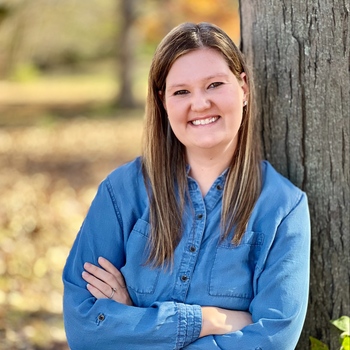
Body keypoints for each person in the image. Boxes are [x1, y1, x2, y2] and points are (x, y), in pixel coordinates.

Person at [62, 22, 310, 349]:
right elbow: (85, 327)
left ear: (244, 89)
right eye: (182, 91)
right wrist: (208, 320)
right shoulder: (121, 192)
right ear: (163, 102)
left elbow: (273, 340)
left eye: (214, 85)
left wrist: (133, 321)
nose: (200, 104)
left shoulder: (282, 208)